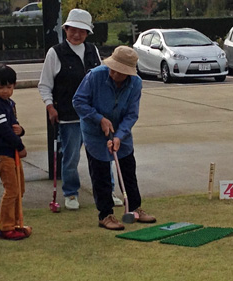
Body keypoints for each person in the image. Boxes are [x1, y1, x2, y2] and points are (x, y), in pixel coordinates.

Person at [38, 8, 122, 210]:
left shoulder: (93, 51)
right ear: (65, 29)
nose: (76, 35)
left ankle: (107, 191)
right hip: (69, 115)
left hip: (95, 115)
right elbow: (45, 84)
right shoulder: (55, 53)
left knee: (103, 154)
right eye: (72, 30)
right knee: (71, 156)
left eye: (81, 31)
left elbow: (103, 80)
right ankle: (71, 193)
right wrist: (50, 107)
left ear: (87, 33)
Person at [73, 46, 157, 230]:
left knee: (128, 169)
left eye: (119, 71)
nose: (113, 73)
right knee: (101, 172)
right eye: (112, 67)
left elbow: (132, 114)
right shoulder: (95, 76)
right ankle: (105, 215)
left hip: (121, 131)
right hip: (94, 131)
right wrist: (99, 119)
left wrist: (119, 136)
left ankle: (134, 209)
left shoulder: (135, 84)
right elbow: (78, 101)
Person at [0, 64, 31, 240]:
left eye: (9, 87)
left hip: (12, 152)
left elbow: (13, 126)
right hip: (3, 153)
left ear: (14, 86)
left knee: (19, 189)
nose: (5, 91)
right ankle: (6, 227)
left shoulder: (9, 103)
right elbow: (4, 129)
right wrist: (20, 146)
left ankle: (17, 223)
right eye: (1, 87)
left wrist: (21, 130)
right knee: (12, 190)